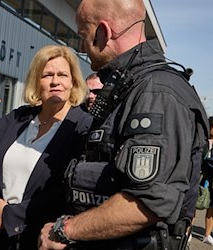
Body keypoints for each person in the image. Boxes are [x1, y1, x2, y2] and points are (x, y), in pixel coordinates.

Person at [38, 0, 208, 249]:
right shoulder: (126, 87)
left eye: (83, 35)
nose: (81, 46)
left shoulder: (157, 93)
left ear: (103, 32)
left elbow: (148, 203)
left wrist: (65, 230)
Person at [0, 45, 92, 249]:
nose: (55, 81)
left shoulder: (82, 127)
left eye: (63, 74)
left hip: (41, 239)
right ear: (37, 81)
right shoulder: (21, 117)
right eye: (47, 75)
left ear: (73, 81)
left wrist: (11, 215)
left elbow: (65, 192)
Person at [202, 116, 213, 245]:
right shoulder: (202, 141)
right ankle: (188, 232)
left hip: (211, 179)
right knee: (193, 205)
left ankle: (207, 234)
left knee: (211, 207)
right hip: (200, 177)